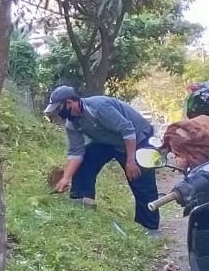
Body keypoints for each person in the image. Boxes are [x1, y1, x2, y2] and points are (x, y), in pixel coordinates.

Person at [44, 84, 160, 233]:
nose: (58, 113)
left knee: (140, 180)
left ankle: (149, 229)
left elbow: (128, 130)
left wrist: (131, 161)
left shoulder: (99, 107)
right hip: (109, 141)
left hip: (137, 138)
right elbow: (76, 152)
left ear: (69, 102)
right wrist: (66, 178)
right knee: (86, 161)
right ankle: (83, 204)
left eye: (59, 109)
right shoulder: (71, 124)